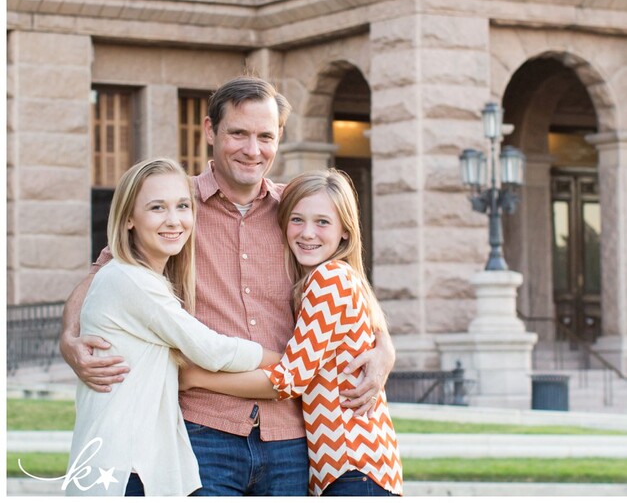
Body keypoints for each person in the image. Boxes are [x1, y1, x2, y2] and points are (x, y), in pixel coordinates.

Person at [59, 75, 396, 496]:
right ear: (210, 130)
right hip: (204, 431)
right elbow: (103, 277)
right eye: (238, 133)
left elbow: (348, 286)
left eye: (265, 136)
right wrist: (70, 339)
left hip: (290, 438)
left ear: (279, 138)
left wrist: (385, 346)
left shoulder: (298, 214)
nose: (252, 150)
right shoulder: (175, 208)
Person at [66, 158, 282, 497]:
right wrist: (285, 359)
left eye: (183, 206)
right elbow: (212, 350)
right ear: (128, 219)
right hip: (122, 469)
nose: (174, 220)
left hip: (133, 464)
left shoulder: (146, 280)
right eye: (157, 208)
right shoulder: (130, 279)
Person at [179, 169, 403, 496]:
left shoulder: (328, 280)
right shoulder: (331, 278)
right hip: (350, 467)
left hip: (352, 466)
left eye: (323, 222)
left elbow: (289, 380)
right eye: (297, 220)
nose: (308, 233)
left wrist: (195, 378)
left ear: (345, 231)